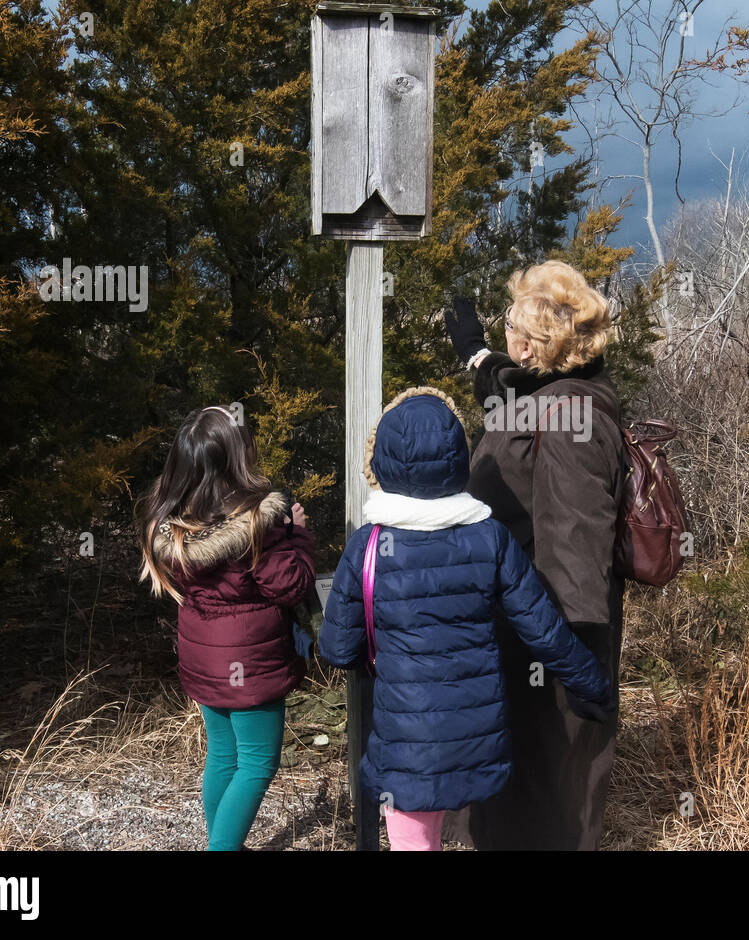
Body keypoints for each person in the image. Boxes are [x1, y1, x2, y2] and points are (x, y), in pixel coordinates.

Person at [317, 387, 612, 851]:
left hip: (405, 738)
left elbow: (336, 649)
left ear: (382, 463)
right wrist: (590, 683)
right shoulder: (489, 537)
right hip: (475, 735)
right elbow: (543, 628)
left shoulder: (369, 546)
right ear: (459, 459)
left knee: (415, 840)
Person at [445, 261, 627, 850]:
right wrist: (472, 352)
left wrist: (571, 668)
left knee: (542, 805)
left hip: (548, 645)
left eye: (509, 324)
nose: (503, 333)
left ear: (532, 342)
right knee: (510, 796)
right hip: (517, 632)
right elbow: (505, 390)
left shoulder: (573, 423)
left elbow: (575, 558)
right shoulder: (550, 392)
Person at [137, 405, 315, 851]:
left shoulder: (170, 524)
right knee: (257, 762)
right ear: (238, 458)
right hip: (252, 663)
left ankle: (222, 842)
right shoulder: (258, 522)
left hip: (202, 658)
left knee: (222, 754)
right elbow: (290, 586)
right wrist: (300, 536)